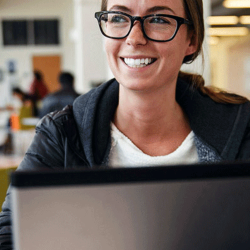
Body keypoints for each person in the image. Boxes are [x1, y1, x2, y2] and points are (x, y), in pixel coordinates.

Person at [1, 0, 250, 249]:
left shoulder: (243, 130)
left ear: (192, 41)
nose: (134, 38)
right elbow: (11, 236)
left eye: (159, 20)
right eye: (119, 18)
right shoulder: (61, 134)